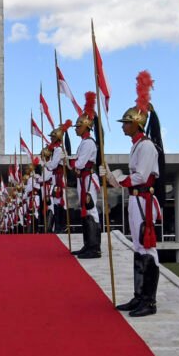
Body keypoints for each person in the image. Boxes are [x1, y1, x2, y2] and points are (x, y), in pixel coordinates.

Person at [104, 71, 166, 318]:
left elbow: (140, 177)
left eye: (126, 122)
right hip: (136, 199)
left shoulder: (147, 146)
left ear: (137, 123)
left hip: (143, 200)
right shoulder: (137, 146)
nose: (124, 126)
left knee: (147, 248)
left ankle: (149, 301)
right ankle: (139, 296)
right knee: (139, 247)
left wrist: (118, 180)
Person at [72, 92, 101, 259]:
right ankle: (87, 244)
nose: (76, 128)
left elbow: (80, 164)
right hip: (83, 179)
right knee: (85, 210)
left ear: (85, 126)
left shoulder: (89, 143)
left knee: (91, 211)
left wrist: (73, 165)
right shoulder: (83, 142)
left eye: (78, 126)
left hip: (88, 179)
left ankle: (94, 247)